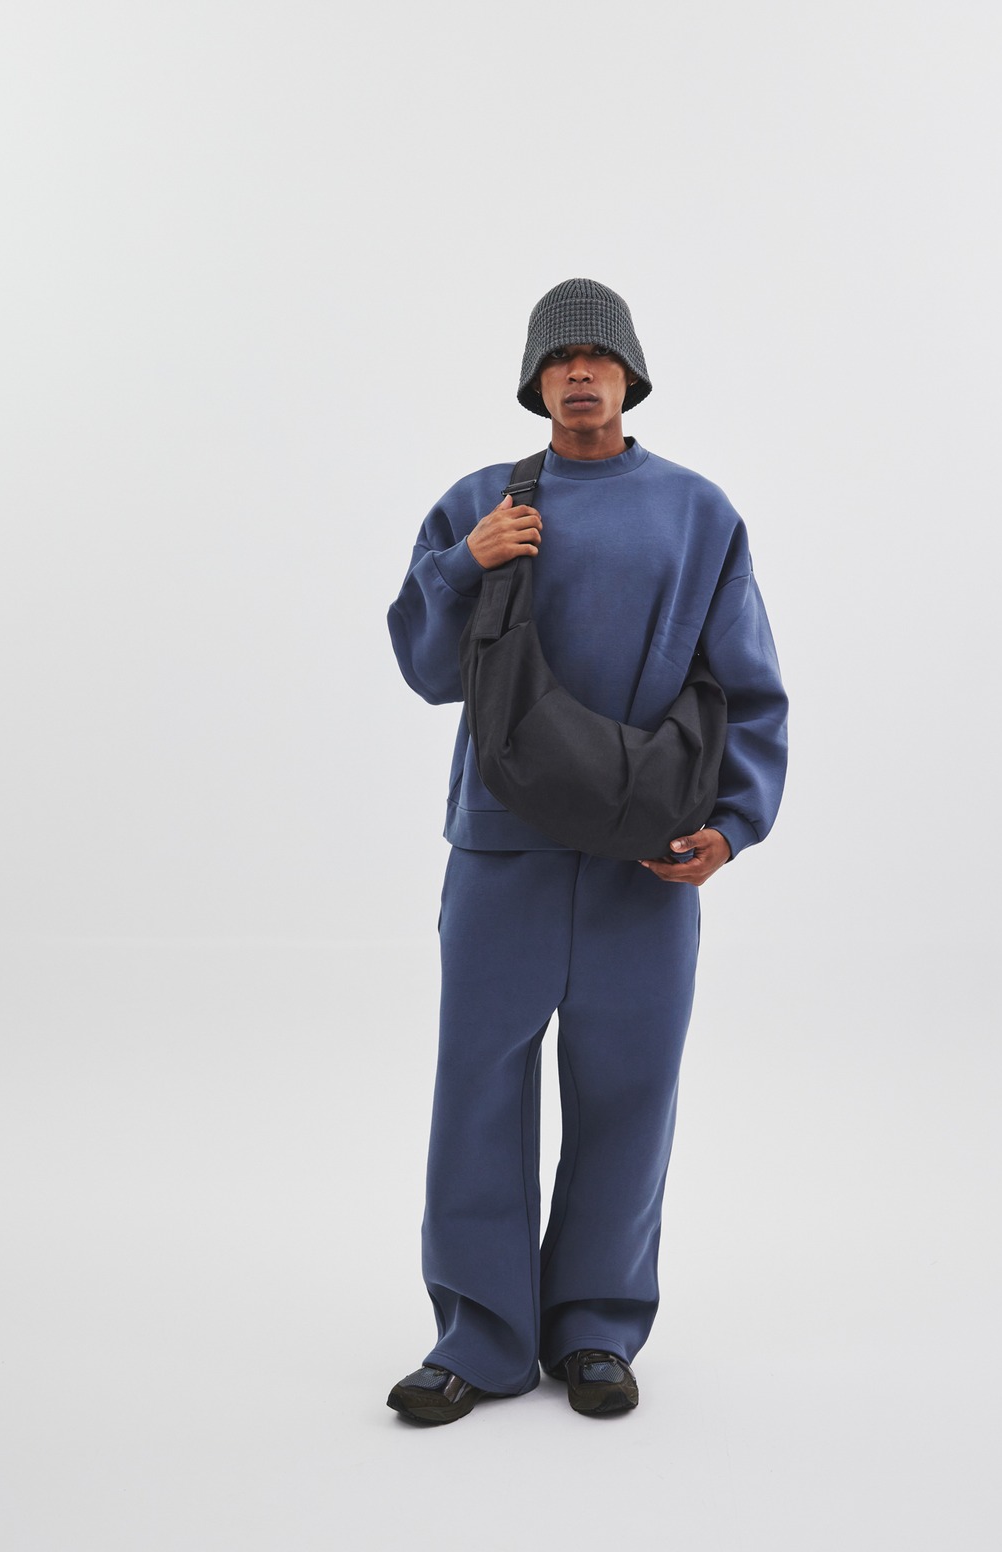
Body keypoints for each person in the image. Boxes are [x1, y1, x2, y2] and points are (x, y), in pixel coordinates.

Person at [385, 278, 788, 1424]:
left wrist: (732, 822)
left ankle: (596, 1329)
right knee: (478, 1089)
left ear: (628, 376)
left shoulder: (696, 513)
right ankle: (477, 1335)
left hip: (645, 855)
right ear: (533, 382)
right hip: (501, 849)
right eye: (556, 357)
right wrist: (464, 563)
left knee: (628, 1091)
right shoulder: (480, 501)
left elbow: (747, 684)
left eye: (595, 356)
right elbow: (423, 671)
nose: (576, 371)